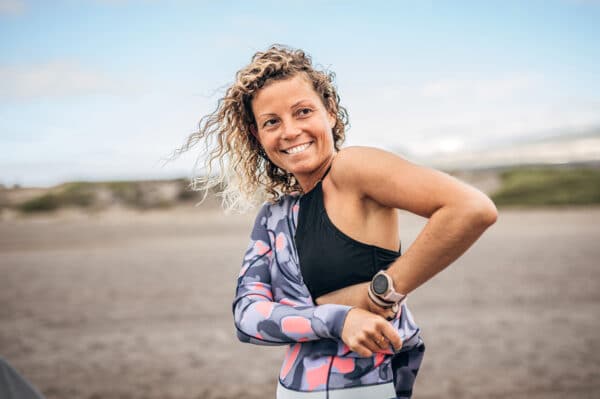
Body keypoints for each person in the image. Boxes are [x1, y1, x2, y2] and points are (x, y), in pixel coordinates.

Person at [178, 45, 498, 398]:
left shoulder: (352, 169)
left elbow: (470, 208)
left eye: (303, 112)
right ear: (257, 135)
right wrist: (339, 318)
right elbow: (248, 317)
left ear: (330, 112)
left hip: (368, 386)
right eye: (272, 121)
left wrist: (382, 292)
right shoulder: (274, 215)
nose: (289, 131)